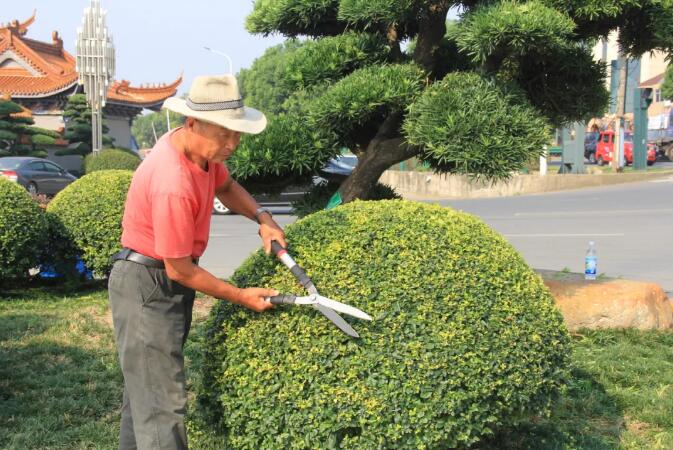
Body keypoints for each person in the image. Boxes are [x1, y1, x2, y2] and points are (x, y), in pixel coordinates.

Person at [108, 74, 285, 450]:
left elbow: (226, 186)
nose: (233, 144)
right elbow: (180, 269)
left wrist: (262, 218)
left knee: (144, 398)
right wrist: (241, 296)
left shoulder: (198, 152)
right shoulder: (172, 181)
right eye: (224, 133)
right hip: (147, 284)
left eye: (237, 133)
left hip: (161, 280)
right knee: (161, 408)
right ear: (193, 123)